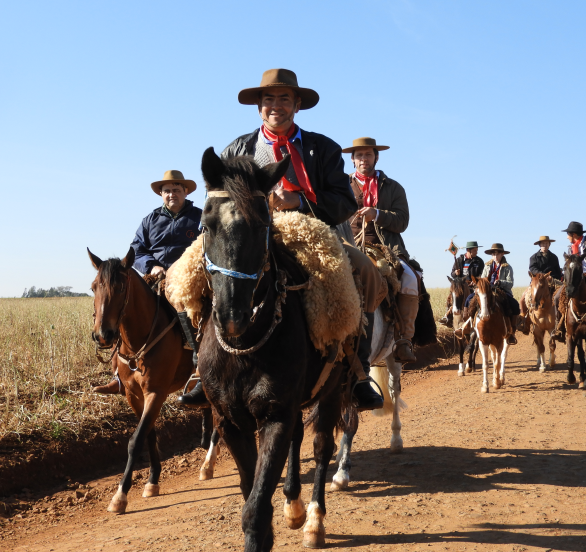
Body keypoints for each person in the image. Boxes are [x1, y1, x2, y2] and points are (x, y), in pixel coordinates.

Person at [219, 68, 388, 411]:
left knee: (367, 273)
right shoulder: (236, 149)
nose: (276, 105)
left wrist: (298, 201)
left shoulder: (323, 148)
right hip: (253, 236)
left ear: (297, 105)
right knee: (189, 275)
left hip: (317, 233)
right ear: (259, 107)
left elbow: (344, 202)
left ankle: (358, 371)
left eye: (284, 98)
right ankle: (202, 369)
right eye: (269, 99)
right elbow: (219, 201)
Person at [93, 170, 202, 396]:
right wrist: (152, 266)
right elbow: (137, 249)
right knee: (122, 304)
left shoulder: (199, 218)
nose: (171, 194)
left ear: (186, 192)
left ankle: (199, 365)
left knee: (187, 308)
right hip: (155, 276)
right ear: (161, 194)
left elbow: (205, 246)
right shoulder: (150, 220)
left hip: (188, 277)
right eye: (167, 191)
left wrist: (182, 267)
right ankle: (118, 375)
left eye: (176, 190)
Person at [343, 137, 419, 363]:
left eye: (368, 154)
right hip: (348, 244)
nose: (363, 159)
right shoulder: (341, 185)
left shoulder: (393, 187)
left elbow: (402, 221)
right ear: (352, 159)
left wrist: (377, 214)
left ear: (376, 157)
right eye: (359, 155)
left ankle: (404, 339)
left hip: (387, 247)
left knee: (410, 278)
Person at [481, 243, 520, 345]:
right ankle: (470, 328)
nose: (495, 256)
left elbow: (510, 283)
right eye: (493, 254)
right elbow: (482, 279)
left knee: (515, 305)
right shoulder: (487, 266)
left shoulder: (508, 267)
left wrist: (500, 282)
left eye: (497, 254)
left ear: (502, 254)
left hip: (502, 290)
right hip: (487, 290)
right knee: (470, 300)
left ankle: (512, 332)